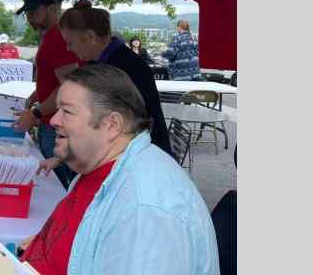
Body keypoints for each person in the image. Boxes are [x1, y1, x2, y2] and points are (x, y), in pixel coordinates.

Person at [20, 64, 219, 274]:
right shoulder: (97, 166)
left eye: (67, 111)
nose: (53, 119)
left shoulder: (145, 210)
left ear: (112, 125)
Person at [55, 0, 171, 156]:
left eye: (70, 42)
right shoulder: (100, 63)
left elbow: (125, 125)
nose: (68, 49)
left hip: (141, 156)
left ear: (90, 36)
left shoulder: (125, 66)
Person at [12, 0, 79, 188]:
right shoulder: (50, 36)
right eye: (27, 14)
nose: (30, 19)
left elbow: (69, 85)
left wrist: (36, 112)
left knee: (56, 186)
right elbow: (52, 79)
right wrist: (34, 97)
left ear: (51, 9)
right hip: (48, 120)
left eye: (33, 12)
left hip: (56, 125)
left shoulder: (58, 38)